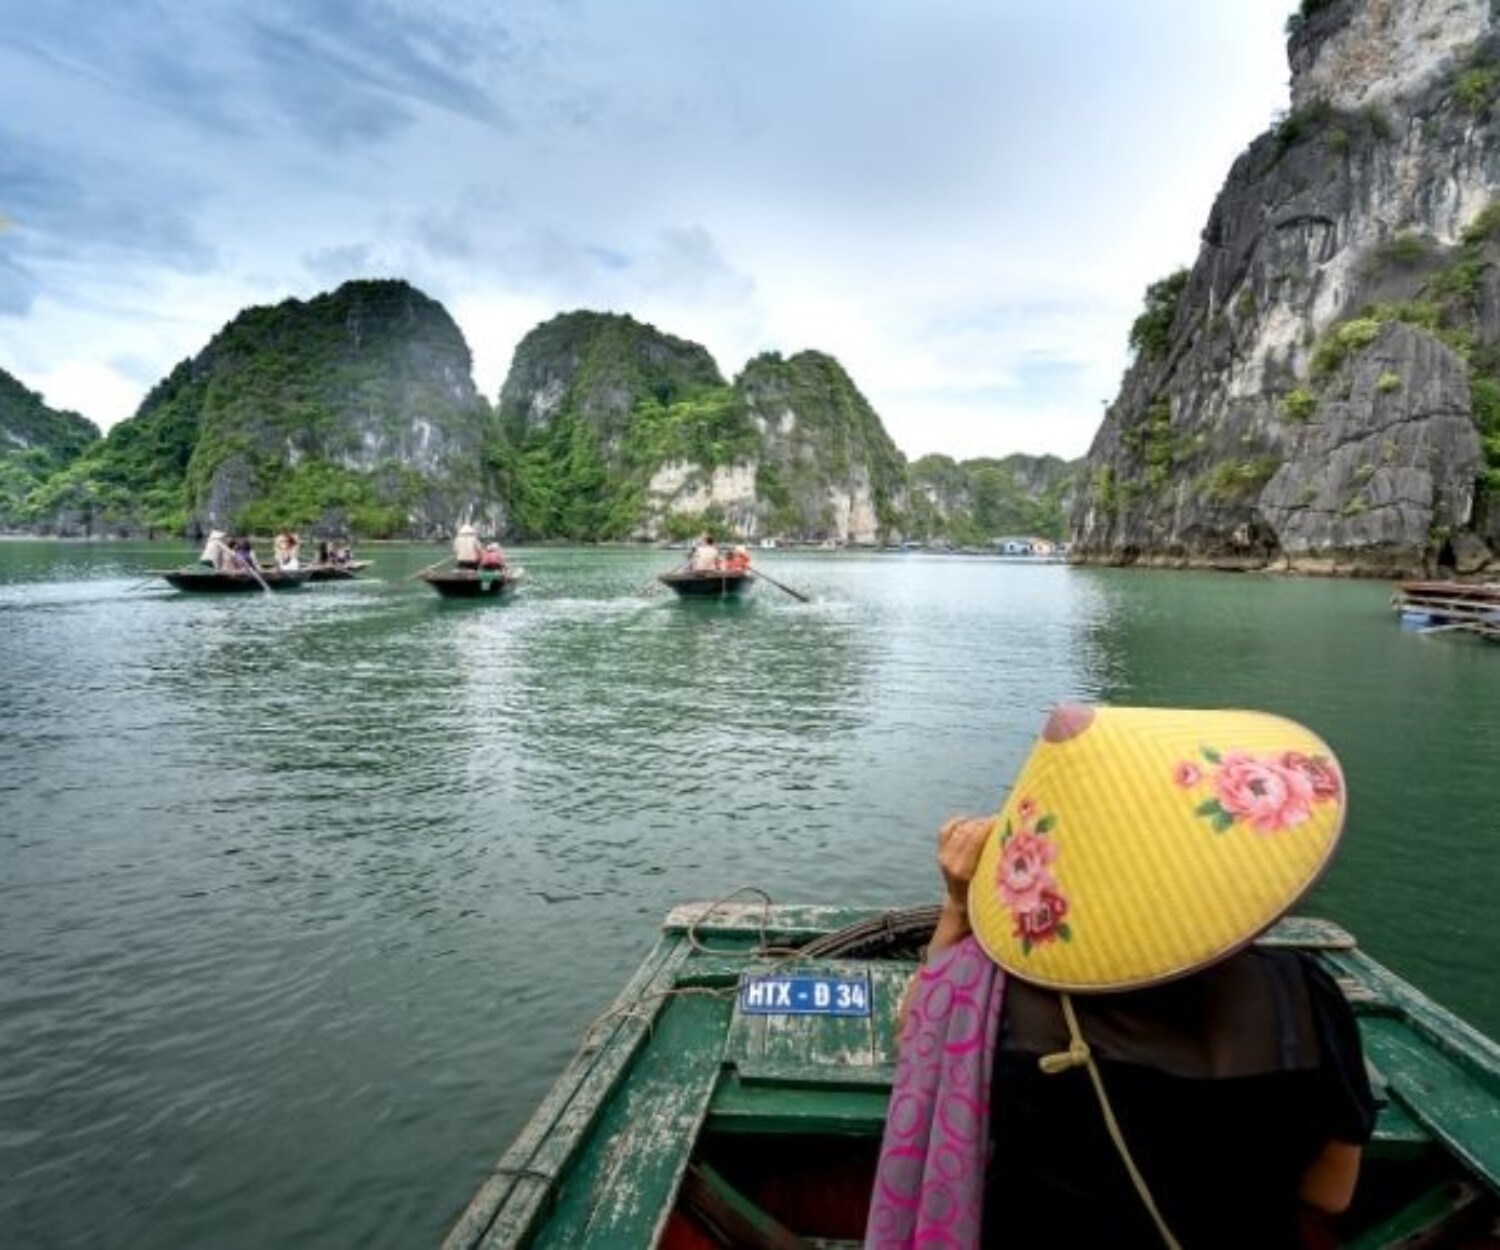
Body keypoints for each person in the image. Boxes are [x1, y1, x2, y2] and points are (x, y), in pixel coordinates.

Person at [866, 703, 1375, 1250]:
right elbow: (1331, 1193)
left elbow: (918, 1038)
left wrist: (959, 907)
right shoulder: (1303, 993)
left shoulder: (1001, 989)